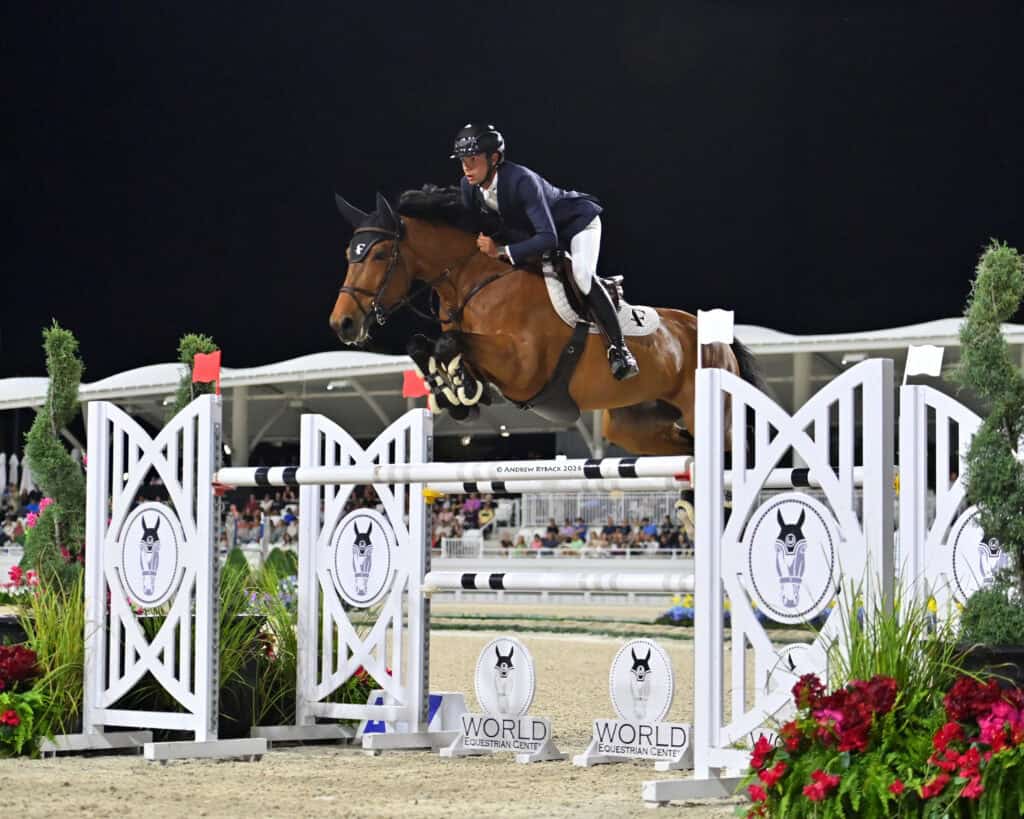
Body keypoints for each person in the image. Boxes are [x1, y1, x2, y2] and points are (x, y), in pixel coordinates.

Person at [451, 122, 639, 380]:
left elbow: (548, 238)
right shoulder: (468, 187)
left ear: (494, 158)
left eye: (472, 160)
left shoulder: (521, 181)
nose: (466, 168)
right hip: (537, 235)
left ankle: (620, 350)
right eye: (462, 161)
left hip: (576, 224)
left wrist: (502, 250)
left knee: (582, 275)